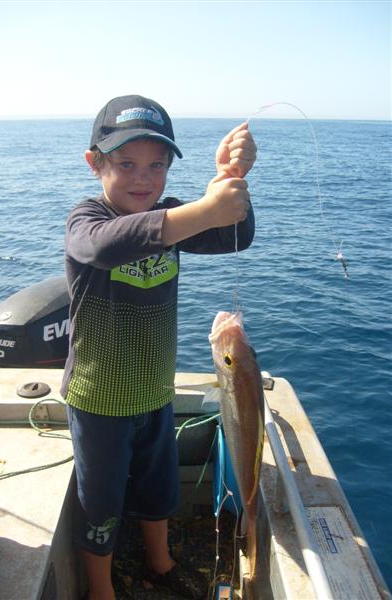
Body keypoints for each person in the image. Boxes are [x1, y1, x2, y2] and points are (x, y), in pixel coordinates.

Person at [61, 94, 257, 600]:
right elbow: (107, 246)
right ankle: (100, 591)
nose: (142, 178)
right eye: (126, 163)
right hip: (99, 399)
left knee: (158, 489)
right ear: (94, 163)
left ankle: (160, 563)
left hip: (154, 392)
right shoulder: (86, 221)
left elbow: (232, 237)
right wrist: (202, 211)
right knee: (100, 504)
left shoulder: (171, 217)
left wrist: (229, 185)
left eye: (157, 165)